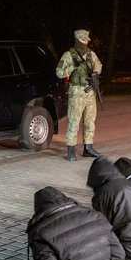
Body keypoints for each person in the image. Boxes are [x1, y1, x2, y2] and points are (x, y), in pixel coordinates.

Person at [56, 29, 103, 161]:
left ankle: (88, 148)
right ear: (78, 40)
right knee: (74, 121)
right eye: (83, 40)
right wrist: (71, 68)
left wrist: (94, 71)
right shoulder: (68, 55)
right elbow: (59, 72)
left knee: (90, 121)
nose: (85, 42)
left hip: (89, 92)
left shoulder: (90, 54)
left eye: (86, 40)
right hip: (76, 92)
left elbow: (99, 66)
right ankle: (70, 149)